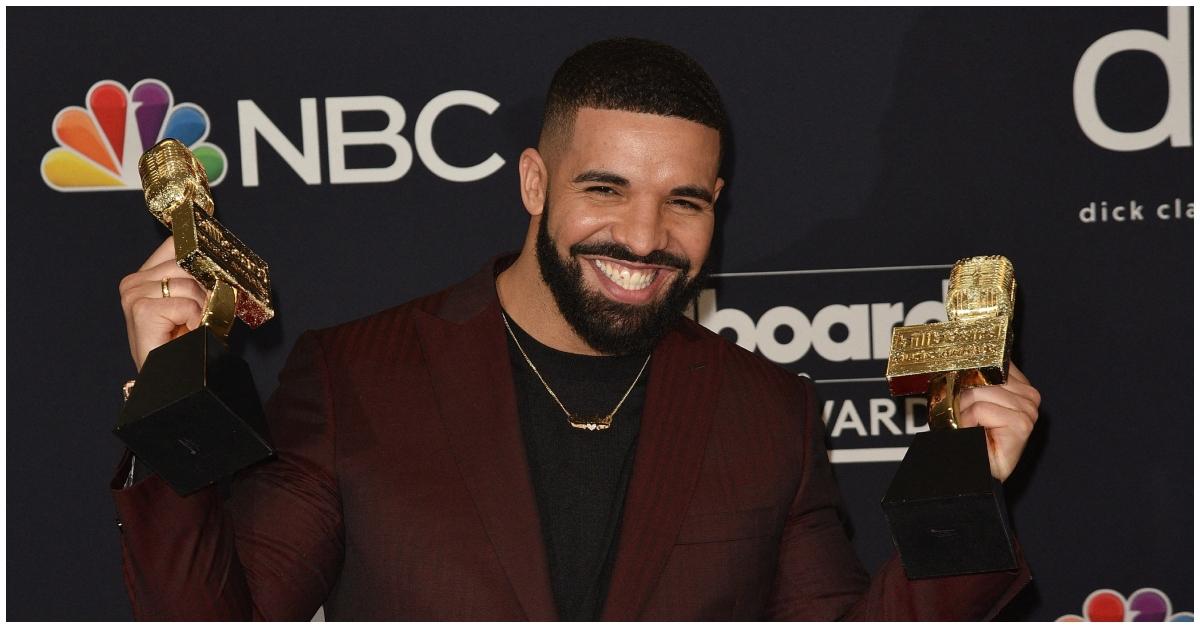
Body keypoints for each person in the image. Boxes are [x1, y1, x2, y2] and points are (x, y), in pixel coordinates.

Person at [114, 38, 1041, 620]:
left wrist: (966, 482)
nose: (644, 238)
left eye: (684, 202)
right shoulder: (359, 375)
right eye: (606, 189)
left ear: (719, 203)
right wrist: (171, 396)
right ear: (533, 183)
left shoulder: (769, 411)